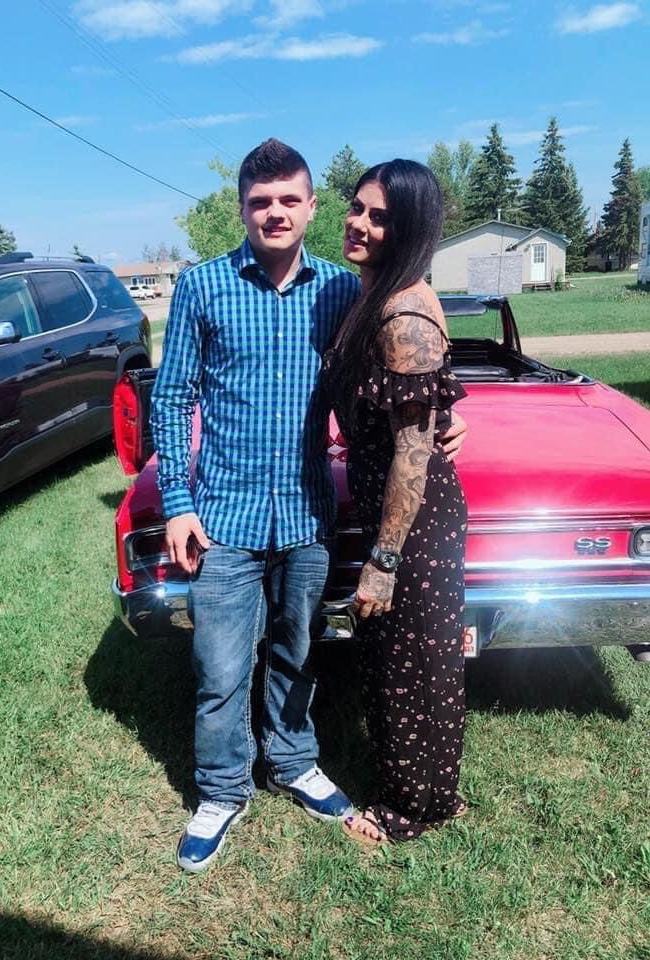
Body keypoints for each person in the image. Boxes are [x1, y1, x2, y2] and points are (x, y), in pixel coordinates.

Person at [150, 140, 467, 873]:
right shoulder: (202, 286)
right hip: (223, 516)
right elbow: (171, 400)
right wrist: (175, 503)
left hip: (307, 516)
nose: (275, 213)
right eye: (261, 201)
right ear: (241, 208)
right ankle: (222, 788)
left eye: (290, 200)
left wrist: (451, 415)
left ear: (310, 207)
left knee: (298, 652)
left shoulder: (340, 291)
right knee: (219, 667)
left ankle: (293, 760)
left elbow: (408, 369)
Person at [327, 159, 468, 844]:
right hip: (400, 509)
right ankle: (431, 789)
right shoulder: (375, 294)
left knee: (413, 664)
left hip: (414, 519)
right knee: (405, 655)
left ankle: (412, 808)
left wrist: (383, 558)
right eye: (357, 206)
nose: (359, 221)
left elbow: (413, 452)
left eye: (379, 215)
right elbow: (422, 417)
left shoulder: (404, 311)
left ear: (407, 227)